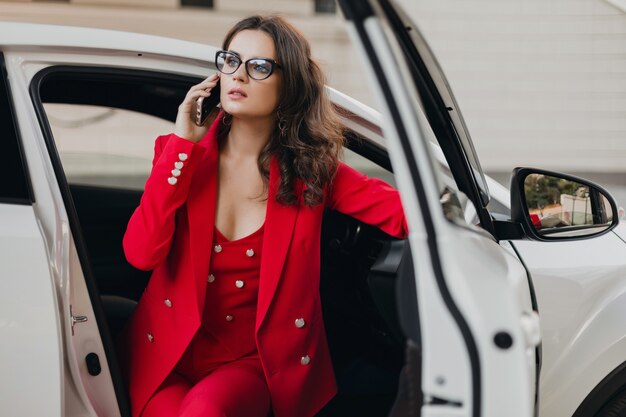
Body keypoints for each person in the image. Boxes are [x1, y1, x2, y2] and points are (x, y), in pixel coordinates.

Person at [120, 15, 407, 417]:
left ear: (288, 85)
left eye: (258, 67)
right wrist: (183, 144)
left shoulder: (313, 173)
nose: (238, 76)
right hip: (169, 356)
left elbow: (409, 213)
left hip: (251, 362)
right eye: (231, 60)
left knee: (206, 411)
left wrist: (476, 218)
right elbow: (140, 254)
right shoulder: (180, 157)